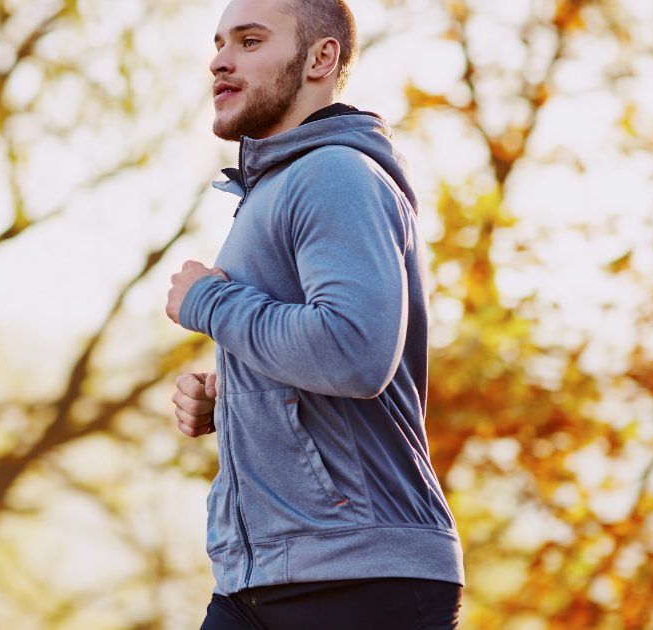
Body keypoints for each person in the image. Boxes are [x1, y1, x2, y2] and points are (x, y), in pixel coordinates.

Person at [163, 0, 465, 628]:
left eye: (249, 41)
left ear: (321, 59)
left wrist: (209, 303)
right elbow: (318, 360)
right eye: (220, 43)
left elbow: (354, 352)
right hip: (266, 572)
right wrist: (232, 397)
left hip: (359, 576)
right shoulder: (275, 189)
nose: (220, 60)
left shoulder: (335, 174)